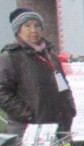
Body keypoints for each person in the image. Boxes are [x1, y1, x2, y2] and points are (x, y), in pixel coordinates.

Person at [0, 8, 76, 136]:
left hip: (58, 127)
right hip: (28, 130)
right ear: (18, 30)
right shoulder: (11, 57)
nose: (33, 30)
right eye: (27, 26)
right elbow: (2, 92)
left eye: (37, 25)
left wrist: (69, 109)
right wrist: (28, 115)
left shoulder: (51, 56)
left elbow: (63, 86)